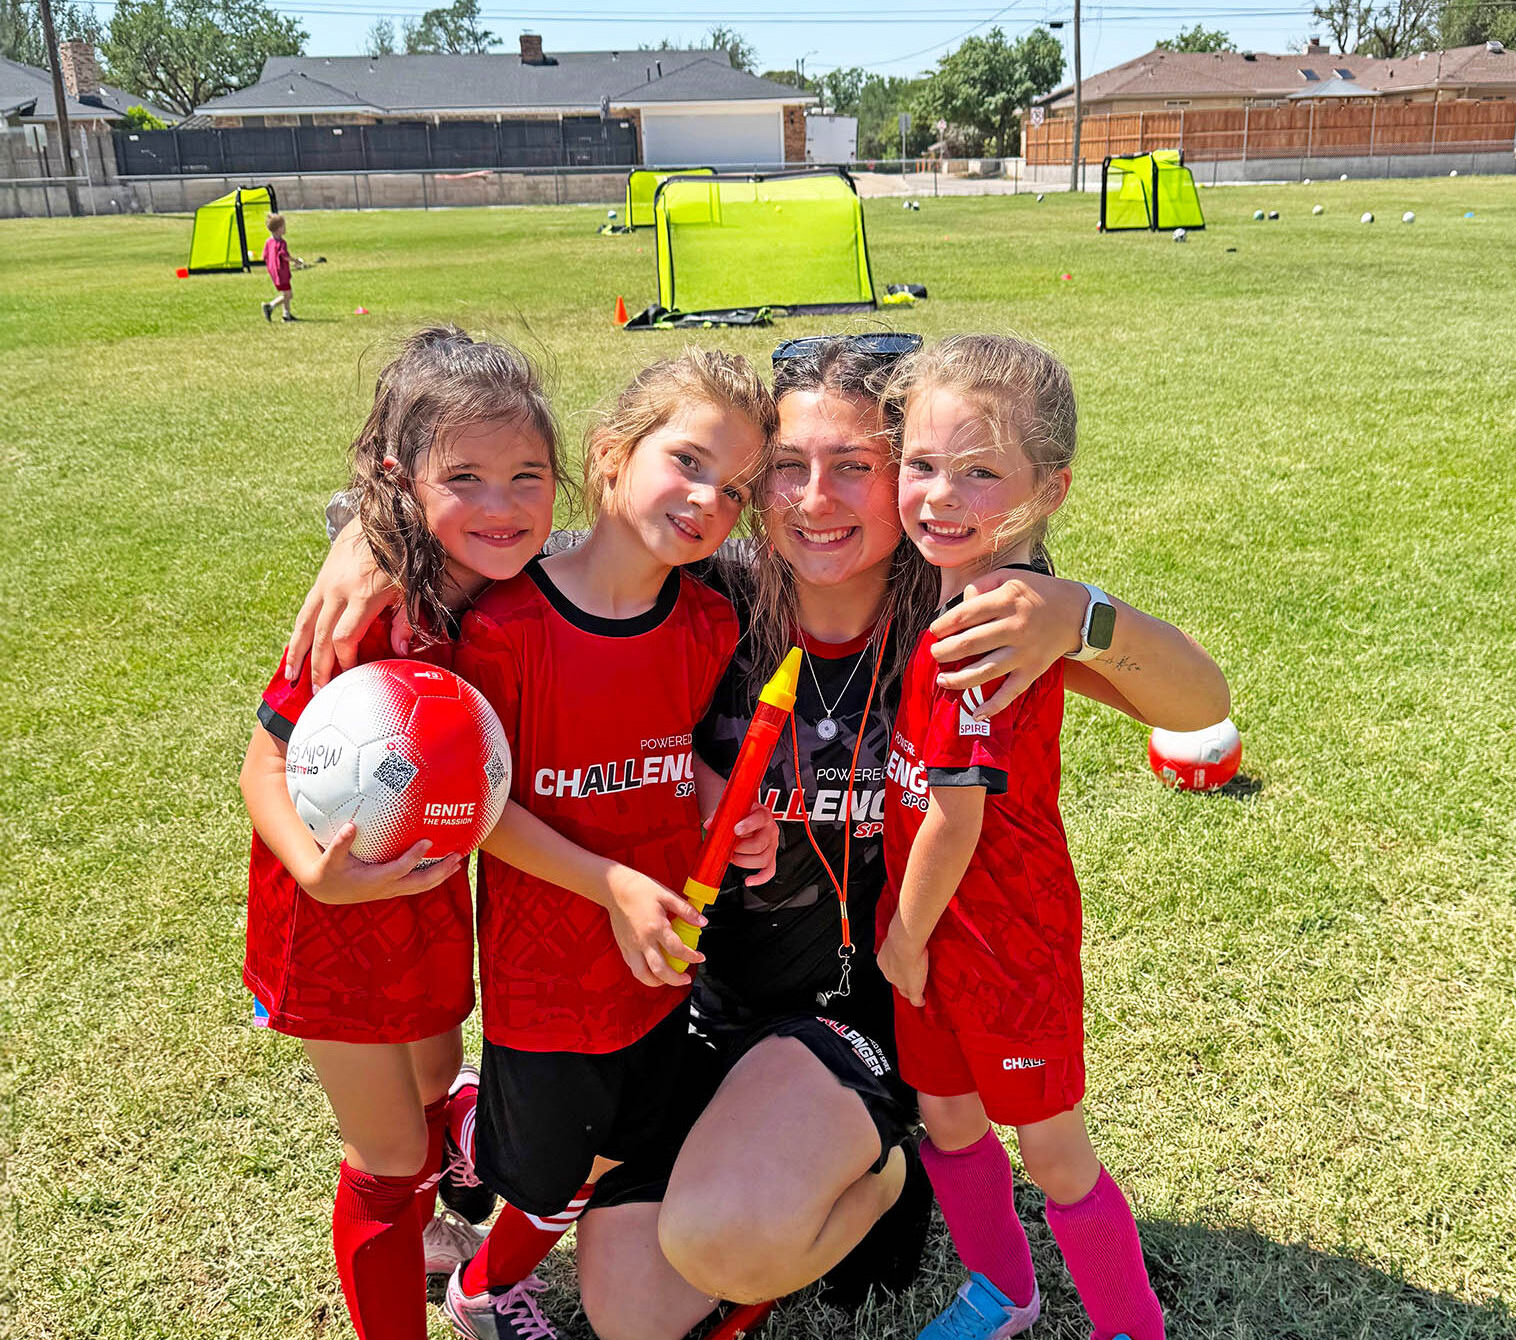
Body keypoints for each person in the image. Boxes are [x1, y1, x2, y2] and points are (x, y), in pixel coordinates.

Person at [285, 334, 1228, 1339]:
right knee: (633, 1315)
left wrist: (1079, 613)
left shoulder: (964, 606)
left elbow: (1197, 700)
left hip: (853, 1013)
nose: (815, 499)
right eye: (787, 469)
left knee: (729, 1234)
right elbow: (542, 545)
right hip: (692, 1008)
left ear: (899, 474)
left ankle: (883, 1166)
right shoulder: (714, 591)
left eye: (855, 467)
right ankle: (758, 1161)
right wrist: (373, 537)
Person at [440, 349, 781, 1340]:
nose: (711, 498)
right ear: (609, 457)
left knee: (606, 1154)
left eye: (739, 488)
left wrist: (734, 819)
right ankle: (477, 1192)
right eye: (687, 460)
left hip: (659, 959)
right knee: (549, 1169)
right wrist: (609, 882)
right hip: (546, 971)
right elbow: (480, 810)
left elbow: (678, 757)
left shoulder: (710, 621)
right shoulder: (504, 627)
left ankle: (481, 1280)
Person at [875, 334, 1211, 1340]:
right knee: (947, 1116)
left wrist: (900, 936)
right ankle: (1002, 1290)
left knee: (1054, 1152)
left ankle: (1128, 1325)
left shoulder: (990, 622)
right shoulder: (950, 584)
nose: (941, 495)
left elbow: (956, 812)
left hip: (999, 940)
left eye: (981, 472)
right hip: (939, 937)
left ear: (1047, 488)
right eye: (922, 464)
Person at [238, 328, 561, 1340]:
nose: (503, 506)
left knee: (429, 1084)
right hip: (330, 916)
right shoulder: (362, 619)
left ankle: (431, 1226)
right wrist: (319, 877)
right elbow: (263, 762)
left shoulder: (518, 592)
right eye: (466, 478)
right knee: (386, 1164)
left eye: (528, 476)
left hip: (429, 898)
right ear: (398, 479)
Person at [261, 212, 296, 322]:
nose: (285, 228)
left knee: (285, 292)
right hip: (282, 273)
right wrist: (296, 261)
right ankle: (270, 306)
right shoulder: (281, 243)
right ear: (278, 229)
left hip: (274, 272)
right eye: (283, 226)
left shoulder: (268, 242)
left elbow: (264, 256)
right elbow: (285, 256)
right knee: (288, 295)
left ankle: (286, 314)